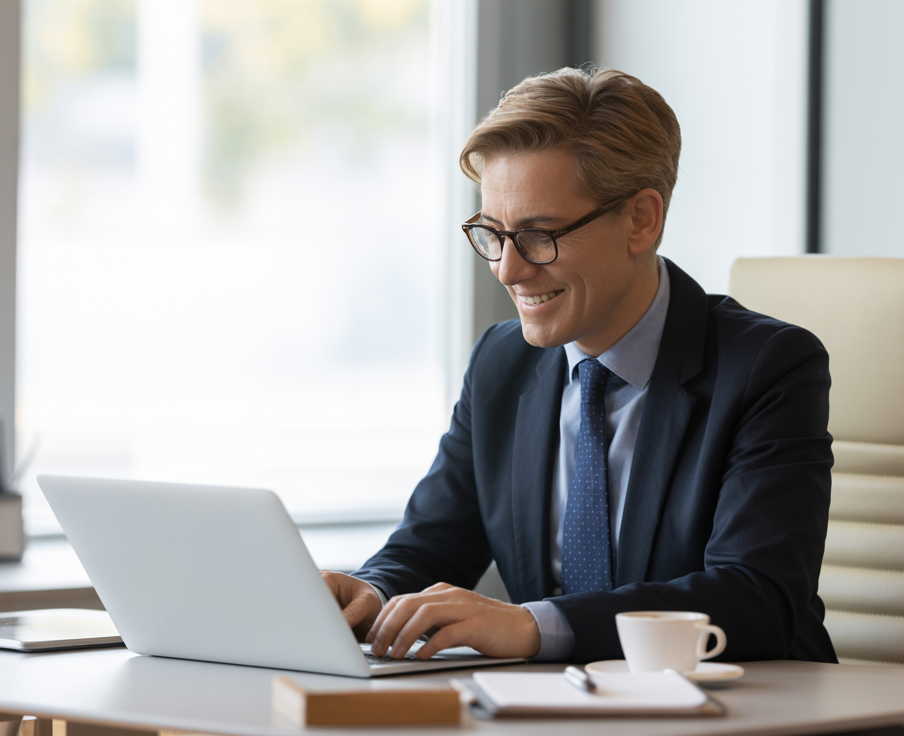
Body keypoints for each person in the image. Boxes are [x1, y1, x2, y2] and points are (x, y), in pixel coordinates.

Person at [321, 66, 836, 664]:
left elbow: (755, 599)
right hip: (565, 714)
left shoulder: (767, 368)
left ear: (641, 219)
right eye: (493, 234)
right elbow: (430, 544)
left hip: (755, 715)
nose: (508, 270)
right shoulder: (500, 363)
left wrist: (533, 627)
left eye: (540, 235)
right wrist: (371, 590)